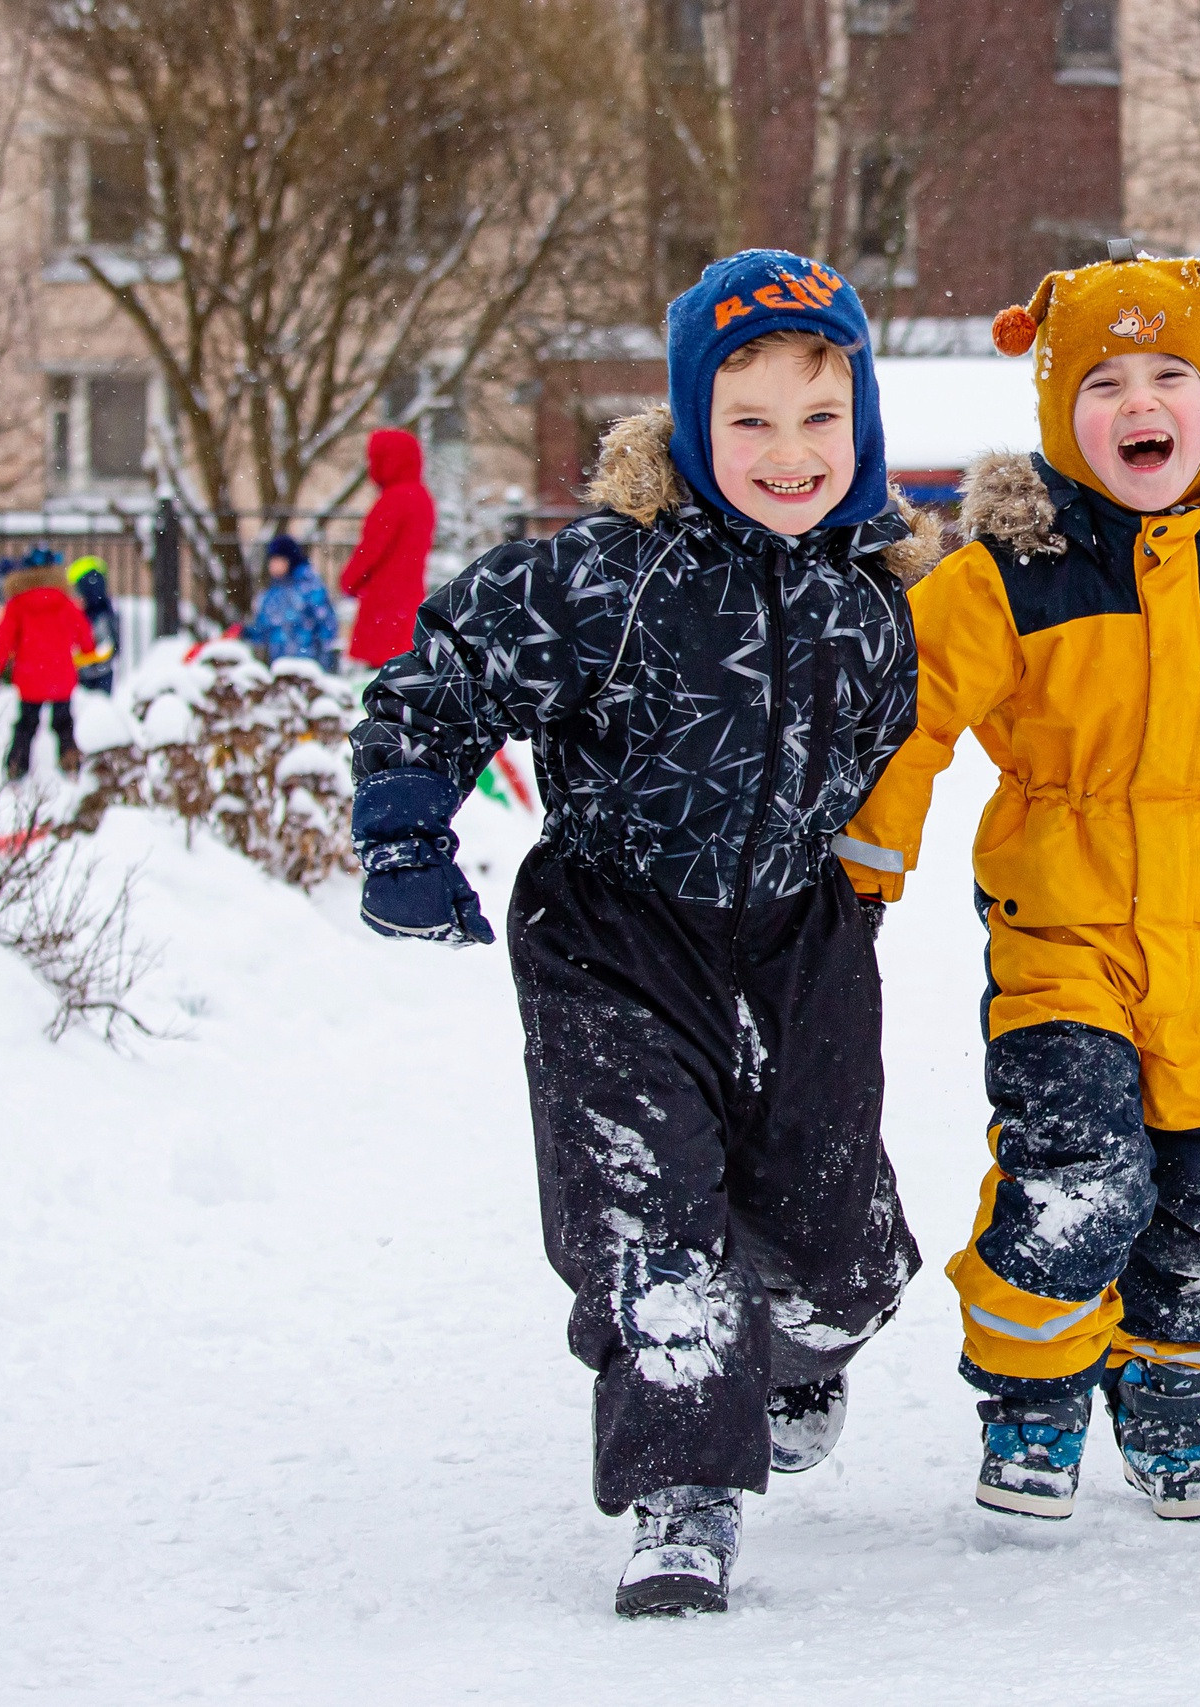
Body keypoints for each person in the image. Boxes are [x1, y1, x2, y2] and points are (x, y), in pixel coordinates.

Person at [347, 251, 938, 1616]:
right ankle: (684, 1491)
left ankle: (797, 1350)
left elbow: (888, 744)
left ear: (863, 431)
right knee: (653, 1216)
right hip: (615, 931)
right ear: (688, 425)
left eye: (818, 418)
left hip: (799, 935)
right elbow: (443, 673)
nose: (788, 454)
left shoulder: (873, 599)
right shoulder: (608, 575)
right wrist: (403, 826)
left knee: (836, 1242)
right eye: (747, 421)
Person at [835, 246, 1200, 1523]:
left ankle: (1176, 1391)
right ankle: (1031, 1394)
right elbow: (911, 722)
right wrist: (864, 869)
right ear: (1057, 412)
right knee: (1075, 1170)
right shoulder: (1007, 571)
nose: (1140, 405)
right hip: (1062, 923)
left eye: (1169, 373)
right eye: (1103, 382)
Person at [0, 555, 96, 781]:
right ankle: (70, 762)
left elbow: (3, 638)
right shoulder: (63, 601)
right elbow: (82, 630)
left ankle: (17, 766)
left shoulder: (17, 604)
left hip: (30, 677)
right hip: (60, 675)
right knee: (64, 722)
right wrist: (88, 651)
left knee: (26, 724)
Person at [338, 426, 433, 671]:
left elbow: (370, 550)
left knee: (379, 666)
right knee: (402, 663)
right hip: (409, 595)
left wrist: (349, 581)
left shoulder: (393, 500)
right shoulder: (422, 498)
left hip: (384, 598)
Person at [242, 533, 340, 671]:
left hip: (309, 665)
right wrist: (245, 632)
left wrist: (326, 659)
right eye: (271, 560)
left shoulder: (310, 587)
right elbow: (264, 627)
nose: (273, 565)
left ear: (289, 559)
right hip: (280, 666)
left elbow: (326, 624)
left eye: (278, 559)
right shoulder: (272, 593)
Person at [63, 555, 120, 694]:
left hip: (96, 672)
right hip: (88, 673)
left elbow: (109, 647)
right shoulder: (95, 613)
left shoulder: (99, 616)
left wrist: (80, 658)